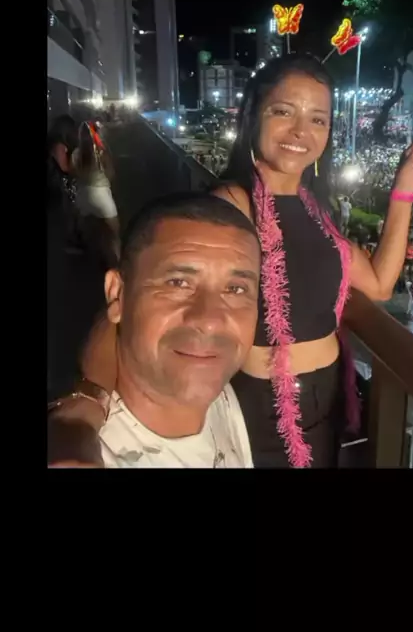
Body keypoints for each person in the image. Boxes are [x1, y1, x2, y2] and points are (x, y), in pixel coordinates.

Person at [61, 53, 413, 469]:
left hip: (329, 398)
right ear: (254, 115)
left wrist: (404, 188)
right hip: (261, 409)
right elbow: (128, 307)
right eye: (283, 111)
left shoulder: (317, 209)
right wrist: (82, 409)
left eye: (318, 119)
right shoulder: (232, 206)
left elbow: (380, 284)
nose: (301, 131)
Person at [48, 194, 261, 468]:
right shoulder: (84, 454)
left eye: (235, 289)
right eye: (178, 283)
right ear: (117, 293)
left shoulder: (217, 389)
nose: (210, 321)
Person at [72, 121, 120, 268]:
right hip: (102, 195)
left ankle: (87, 261)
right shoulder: (101, 152)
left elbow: (74, 174)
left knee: (85, 232)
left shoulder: (76, 153)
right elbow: (111, 174)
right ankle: (116, 265)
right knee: (114, 234)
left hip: (83, 195)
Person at [47, 114, 82, 252]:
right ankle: (72, 241)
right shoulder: (59, 146)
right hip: (59, 186)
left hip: (58, 185)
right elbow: (64, 167)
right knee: (70, 210)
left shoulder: (55, 143)